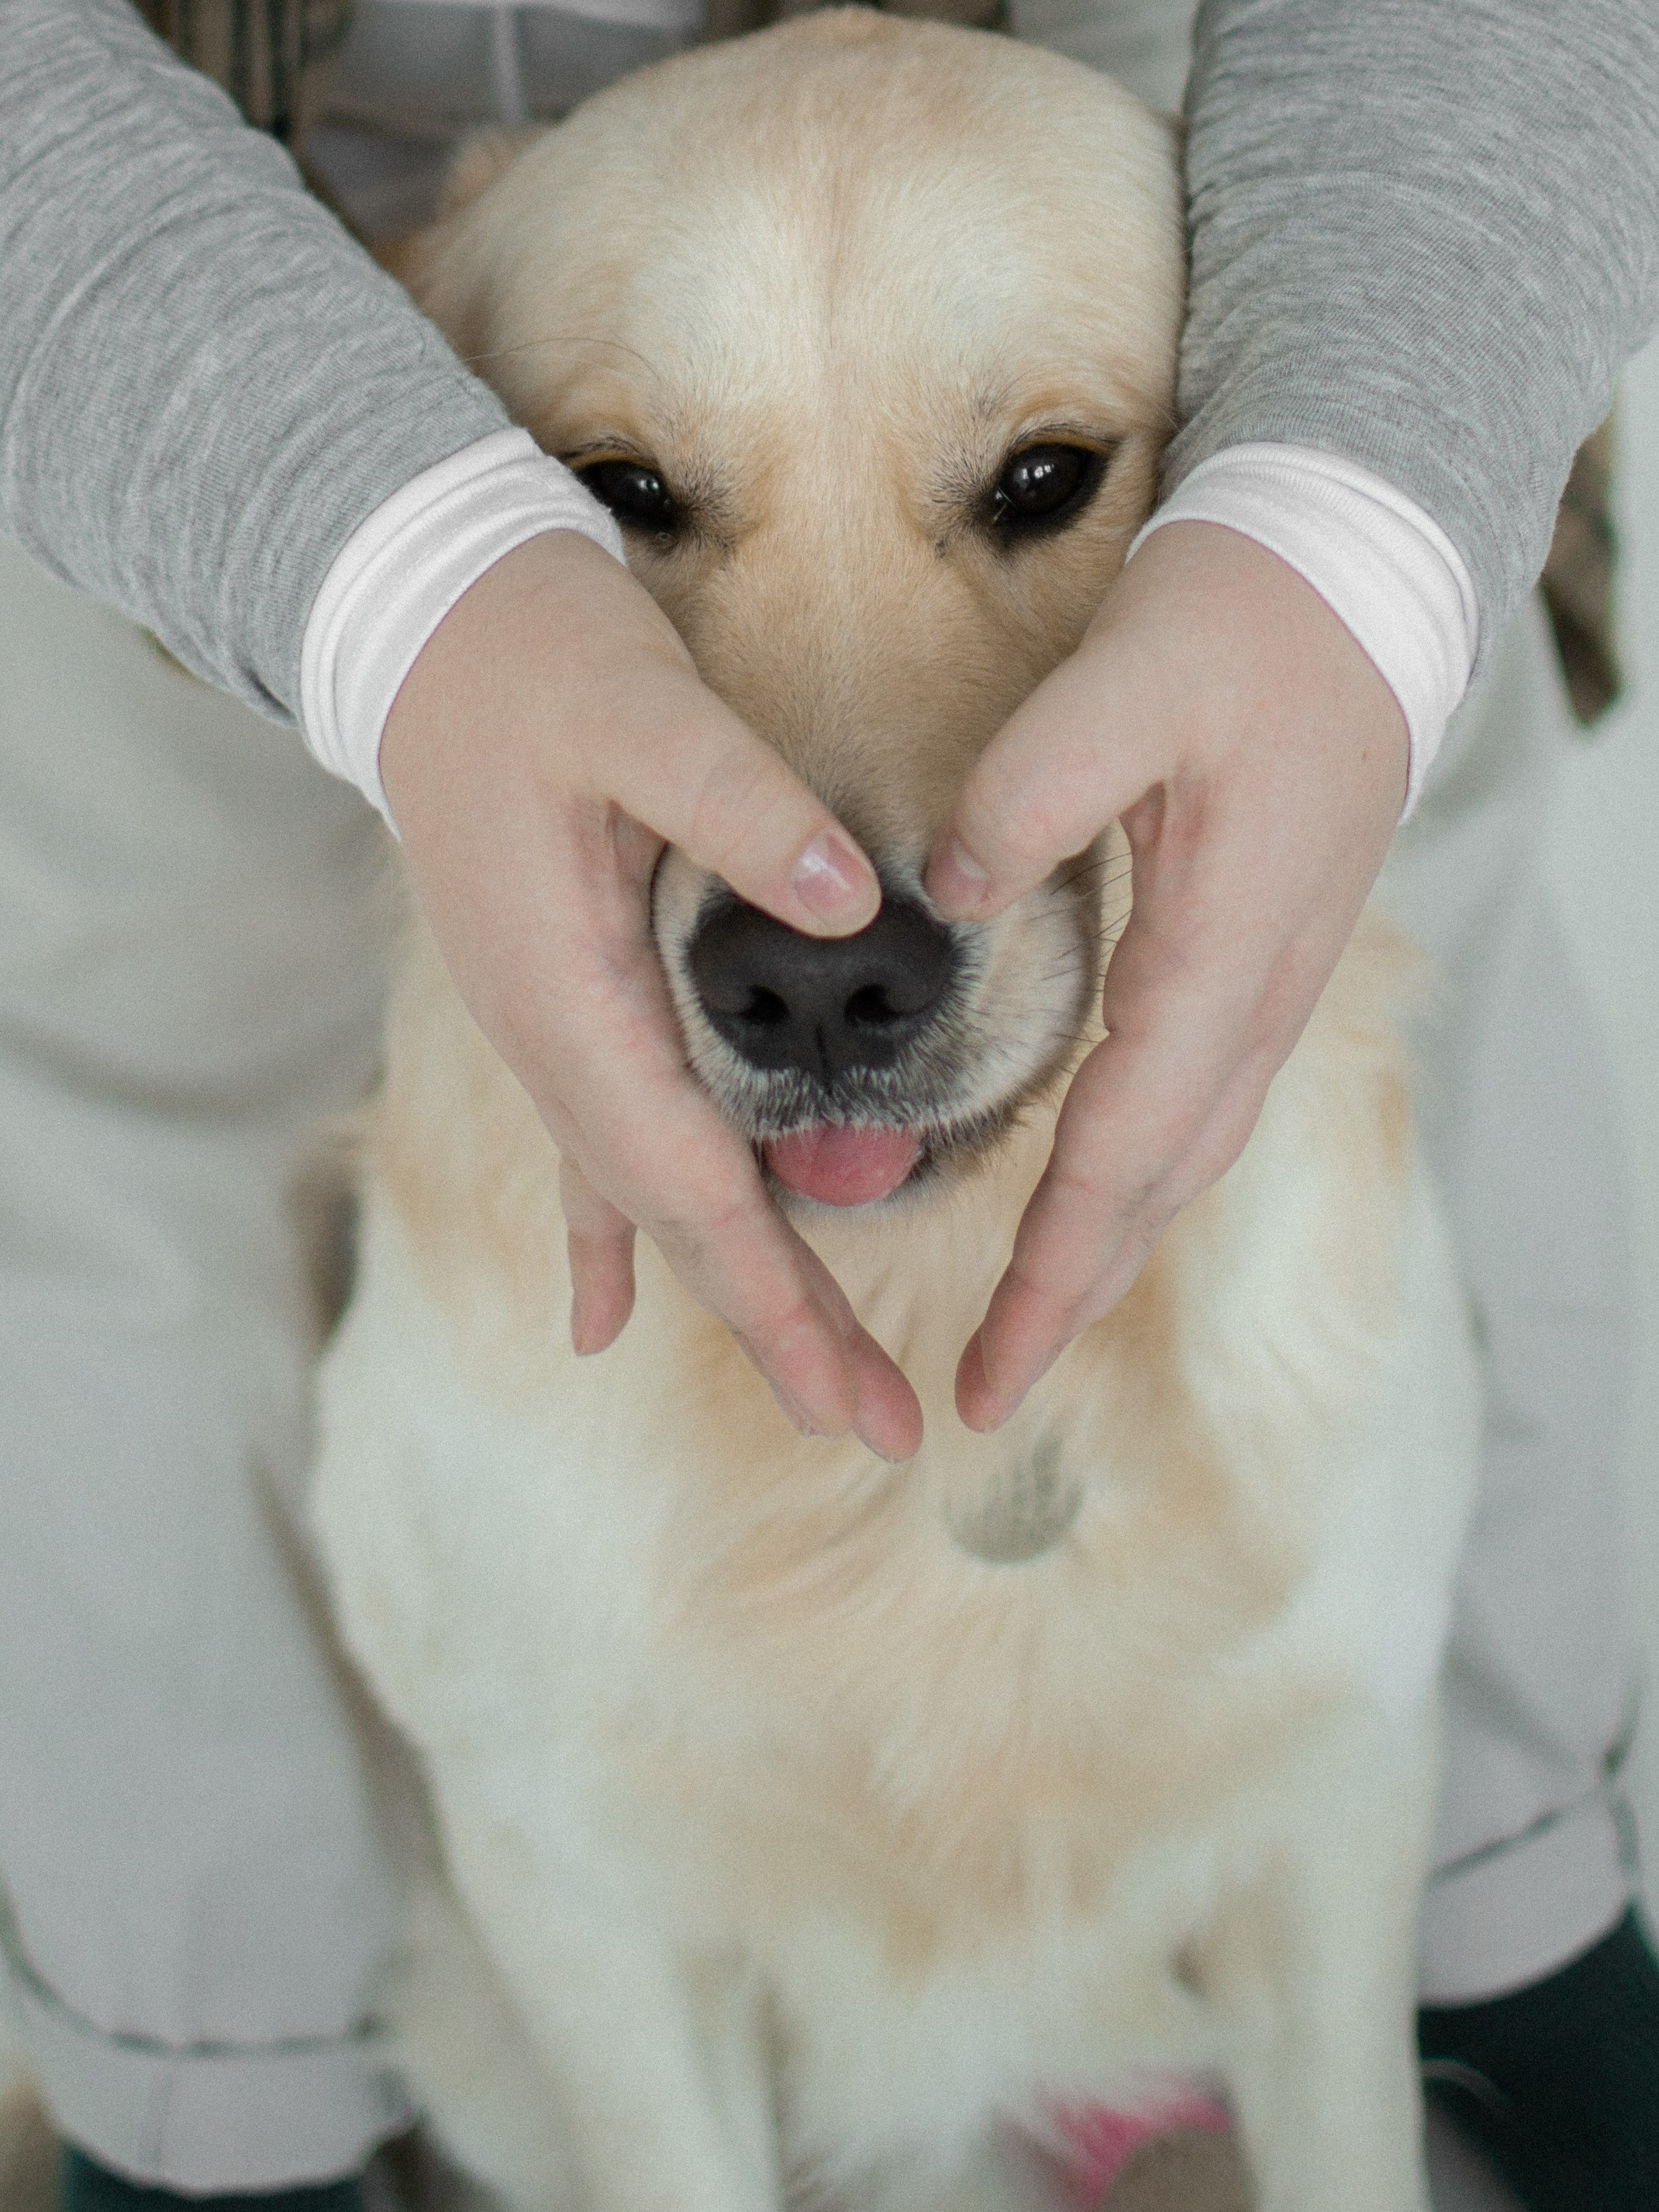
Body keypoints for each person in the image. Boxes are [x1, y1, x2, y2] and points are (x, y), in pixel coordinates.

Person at [1, 0, 1657, 2207]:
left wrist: (1344, 519)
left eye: (1040, 481)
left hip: (1177, 71)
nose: (833, 892)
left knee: (1390, 905)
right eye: (636, 495)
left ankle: (1515, 1904)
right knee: (129, 1055)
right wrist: (395, 575)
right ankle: (216, 2089)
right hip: (174, 159)